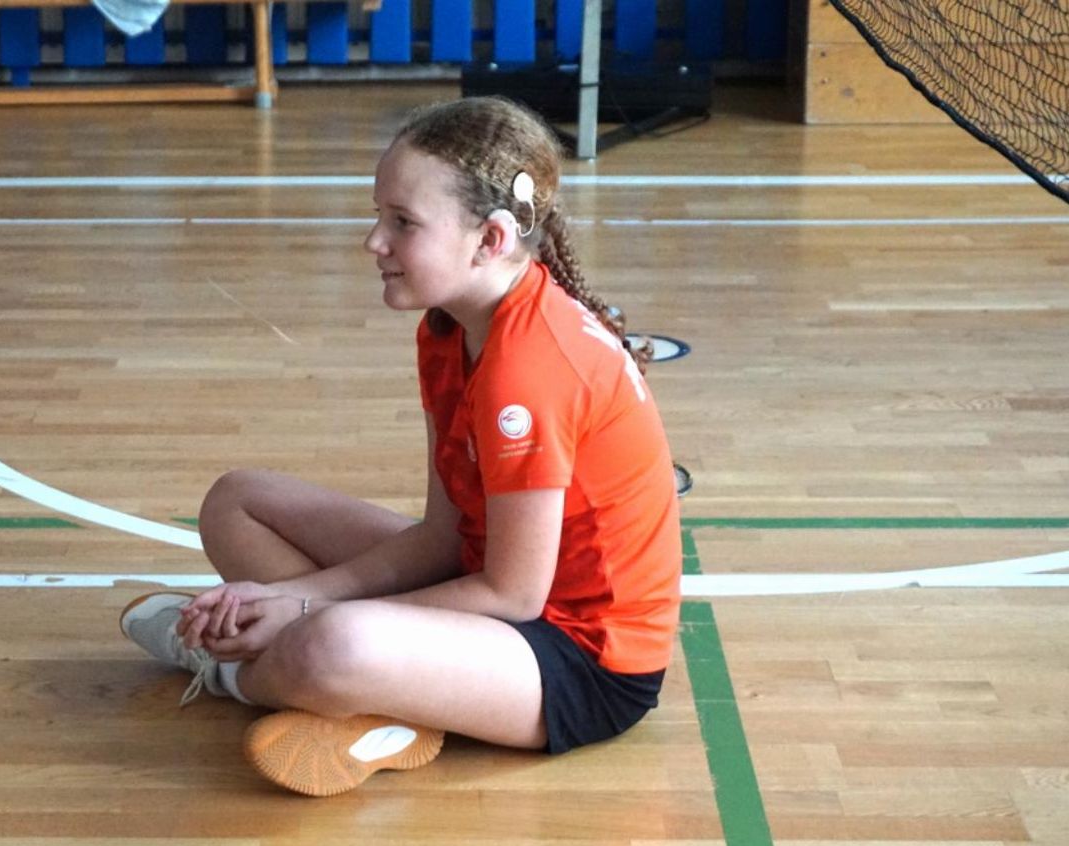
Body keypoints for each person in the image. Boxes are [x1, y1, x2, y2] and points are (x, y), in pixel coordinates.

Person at [120, 96, 681, 797]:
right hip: (491, 583)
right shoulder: (448, 326)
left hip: (576, 659)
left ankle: (235, 671)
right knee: (236, 503)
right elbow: (444, 538)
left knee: (335, 644)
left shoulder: (527, 373)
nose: (373, 241)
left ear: (490, 239)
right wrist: (291, 595)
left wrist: (306, 613)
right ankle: (391, 700)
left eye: (402, 223)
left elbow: (514, 593)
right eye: (378, 215)